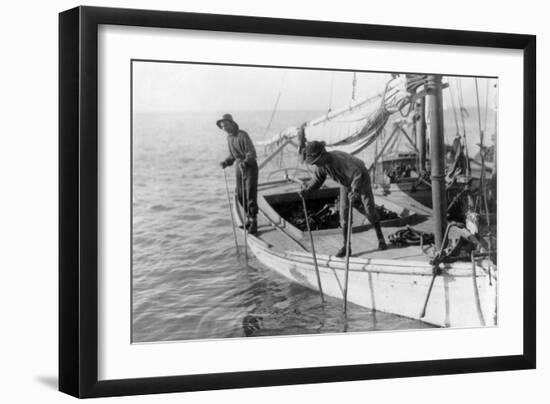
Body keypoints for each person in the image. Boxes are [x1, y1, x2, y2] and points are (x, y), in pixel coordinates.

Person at [300, 141, 387, 257]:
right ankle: (347, 247)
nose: (316, 165)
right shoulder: (322, 165)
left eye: (316, 162)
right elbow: (318, 179)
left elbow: (357, 174)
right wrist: (308, 190)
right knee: (344, 213)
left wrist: (355, 191)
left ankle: (381, 238)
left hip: (361, 178)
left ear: (323, 155)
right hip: (345, 182)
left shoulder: (339, 160)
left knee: (369, 211)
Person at [218, 113, 258, 235]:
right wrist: (226, 162)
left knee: (250, 195)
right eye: (222, 126)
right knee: (241, 196)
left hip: (250, 167)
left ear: (231, 124)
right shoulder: (229, 138)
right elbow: (233, 155)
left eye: (225, 125)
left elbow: (251, 152)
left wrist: (245, 162)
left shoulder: (242, 135)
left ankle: (254, 222)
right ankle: (249, 218)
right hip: (239, 168)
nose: (224, 128)